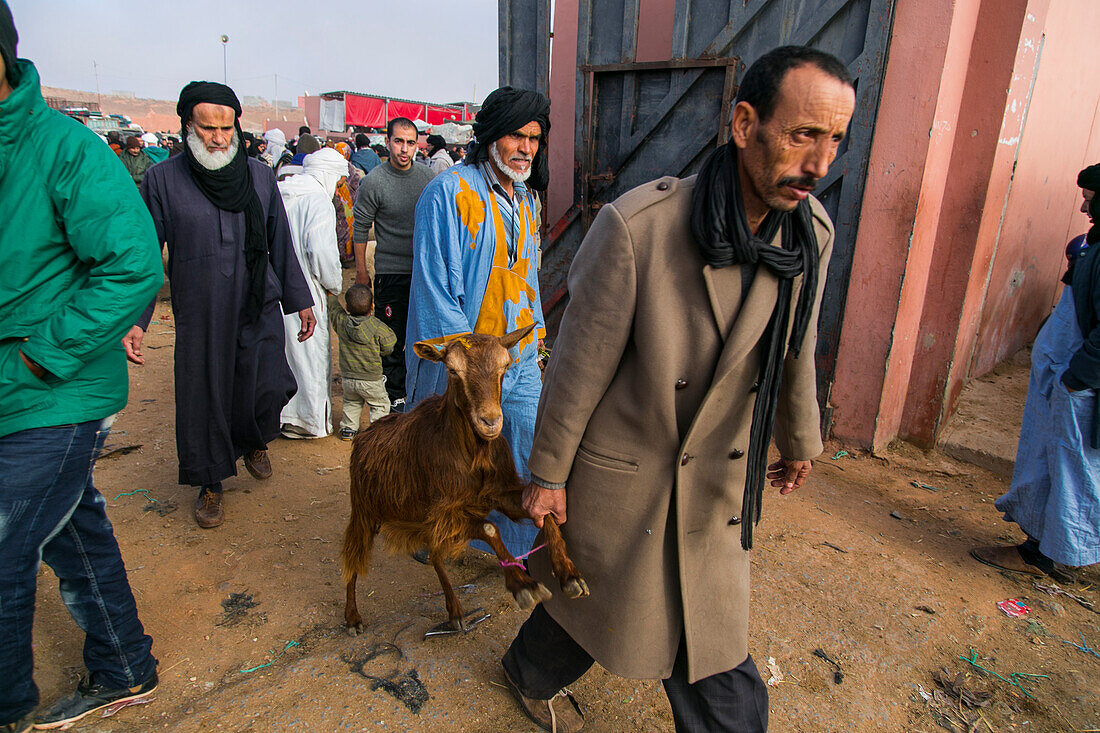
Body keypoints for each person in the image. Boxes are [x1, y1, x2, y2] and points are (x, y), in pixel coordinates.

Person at [500, 47, 853, 733]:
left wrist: (798, 436)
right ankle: (527, 671)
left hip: (719, 473)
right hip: (631, 466)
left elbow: (795, 342)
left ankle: (525, 668)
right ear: (745, 123)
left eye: (835, 139)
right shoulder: (643, 227)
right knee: (637, 610)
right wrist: (547, 473)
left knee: (657, 610)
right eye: (803, 134)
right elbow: (578, 364)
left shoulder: (810, 233)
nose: (820, 164)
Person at [0, 3, 163, 729]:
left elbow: (133, 263)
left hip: (53, 389)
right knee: (68, 522)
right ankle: (125, 663)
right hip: (22, 389)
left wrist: (42, 354)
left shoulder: (63, 149)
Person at [129, 81, 315, 529]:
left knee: (266, 381)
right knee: (204, 393)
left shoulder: (258, 176)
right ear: (187, 125)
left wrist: (301, 301)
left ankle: (253, 439)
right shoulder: (162, 179)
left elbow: (280, 242)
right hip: (200, 307)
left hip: (256, 299)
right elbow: (142, 253)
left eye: (226, 128)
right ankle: (210, 482)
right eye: (207, 128)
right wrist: (135, 319)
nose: (218, 138)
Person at [405, 86, 550, 557]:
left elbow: (528, 277)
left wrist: (536, 340)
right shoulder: (446, 193)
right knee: (448, 453)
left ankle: (521, 552)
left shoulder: (528, 200)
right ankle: (435, 535)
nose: (527, 148)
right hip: (467, 364)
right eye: (516, 136)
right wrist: (462, 365)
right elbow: (432, 283)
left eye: (534, 138)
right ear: (491, 137)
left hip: (517, 357)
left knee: (525, 444)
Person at [972, 166, 1100, 582]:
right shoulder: (1090, 247)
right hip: (1069, 383)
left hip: (1081, 387)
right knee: (1057, 463)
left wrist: (1076, 378)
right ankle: (1049, 547)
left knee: (1072, 470)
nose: (1084, 205)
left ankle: (1054, 556)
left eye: (1092, 196)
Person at [351, 116, 434, 411]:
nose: (404, 148)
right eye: (398, 141)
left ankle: (422, 398)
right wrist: (362, 273)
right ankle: (394, 401)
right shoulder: (373, 182)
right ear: (387, 142)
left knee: (425, 336)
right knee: (392, 340)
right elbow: (360, 227)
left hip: (425, 272)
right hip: (390, 273)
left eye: (411, 142)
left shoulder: (428, 179)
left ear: (417, 145)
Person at [277, 148, 348, 438]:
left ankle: (280, 414)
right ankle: (307, 421)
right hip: (306, 289)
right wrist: (334, 284)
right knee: (309, 354)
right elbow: (320, 252)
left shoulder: (280, 191)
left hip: (275, 287)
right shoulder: (318, 201)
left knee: (281, 351)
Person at [329, 283, 397, 440]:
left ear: (347, 306)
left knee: (351, 402)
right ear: (372, 306)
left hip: (348, 379)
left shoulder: (342, 323)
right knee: (380, 404)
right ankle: (377, 432)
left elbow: (334, 310)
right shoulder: (378, 327)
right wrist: (383, 352)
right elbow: (390, 344)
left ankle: (348, 429)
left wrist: (331, 297)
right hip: (371, 379)